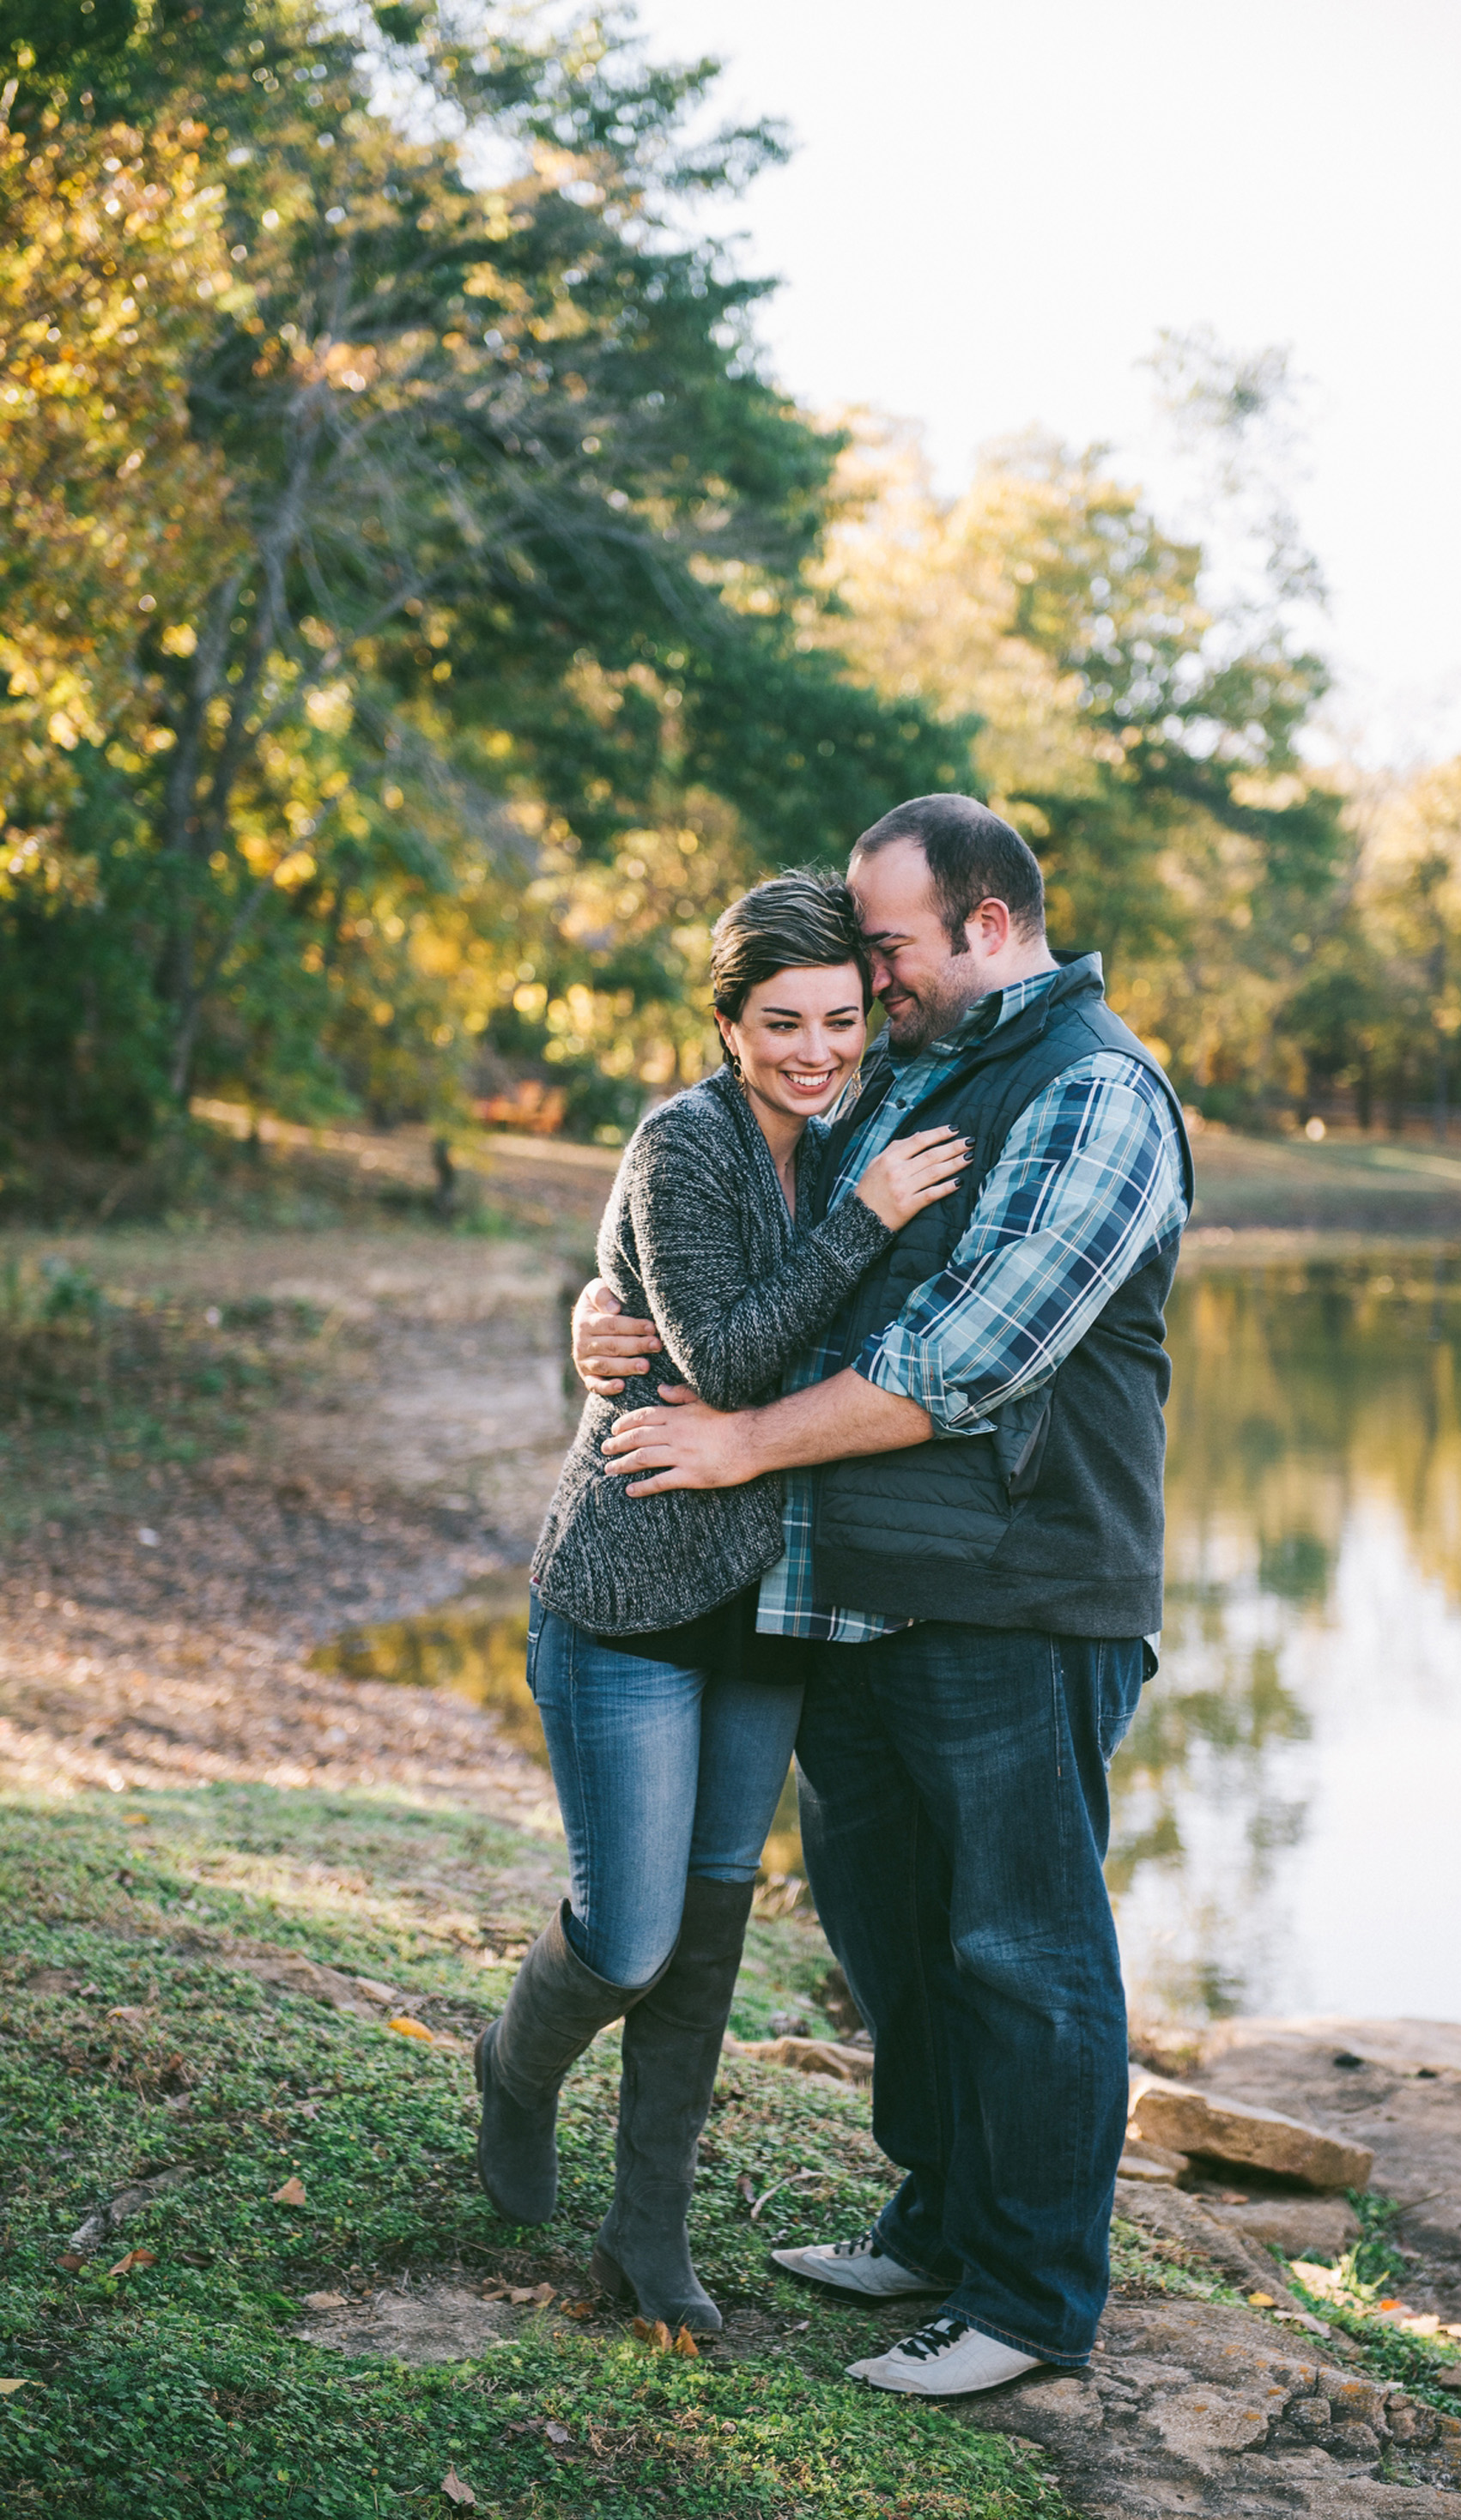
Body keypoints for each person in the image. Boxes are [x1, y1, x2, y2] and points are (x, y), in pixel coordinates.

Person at [573, 793, 1193, 2396]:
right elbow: (745, 1236)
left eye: (890, 947)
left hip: (1020, 1592)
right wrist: (606, 1296)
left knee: (1026, 1950)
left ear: (986, 927)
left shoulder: (1096, 1092)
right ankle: (937, 2221)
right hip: (859, 1590)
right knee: (902, 1941)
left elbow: (969, 1354)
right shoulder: (925, 1065)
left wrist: (738, 1445)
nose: (869, 975)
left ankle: (1034, 2298)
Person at [476, 869, 967, 2338]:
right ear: (726, 1022)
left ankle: (650, 2234)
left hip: (769, 1602)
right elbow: (735, 1362)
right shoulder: (685, 1144)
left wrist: (862, 1197)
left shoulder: (861, 1126)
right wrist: (866, 1218)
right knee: (626, 1938)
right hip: (629, 1590)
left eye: (838, 1020)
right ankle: (513, 2064)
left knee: (711, 1931)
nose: (815, 1051)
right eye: (780, 1023)